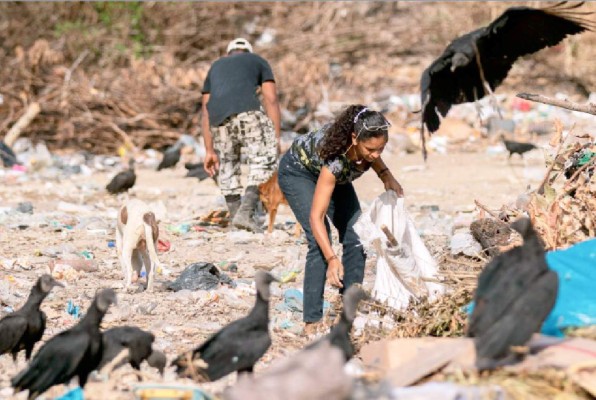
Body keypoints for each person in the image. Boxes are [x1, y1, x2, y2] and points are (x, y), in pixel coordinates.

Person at [278, 105, 403, 330]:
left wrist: (386, 175)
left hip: (337, 177)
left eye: (381, 149)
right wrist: (332, 259)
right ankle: (312, 320)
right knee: (319, 240)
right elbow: (316, 217)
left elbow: (373, 152)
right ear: (354, 139)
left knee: (357, 235)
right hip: (299, 172)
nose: (376, 155)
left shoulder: (367, 144)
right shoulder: (336, 159)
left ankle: (349, 307)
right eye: (370, 149)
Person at [201, 38, 281, 232]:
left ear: (229, 52)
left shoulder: (216, 66)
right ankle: (245, 213)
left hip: (218, 117)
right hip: (248, 112)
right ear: (248, 51)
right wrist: (275, 138)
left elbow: (205, 109)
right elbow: (270, 98)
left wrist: (209, 150)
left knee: (227, 164)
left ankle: (237, 219)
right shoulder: (257, 60)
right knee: (263, 159)